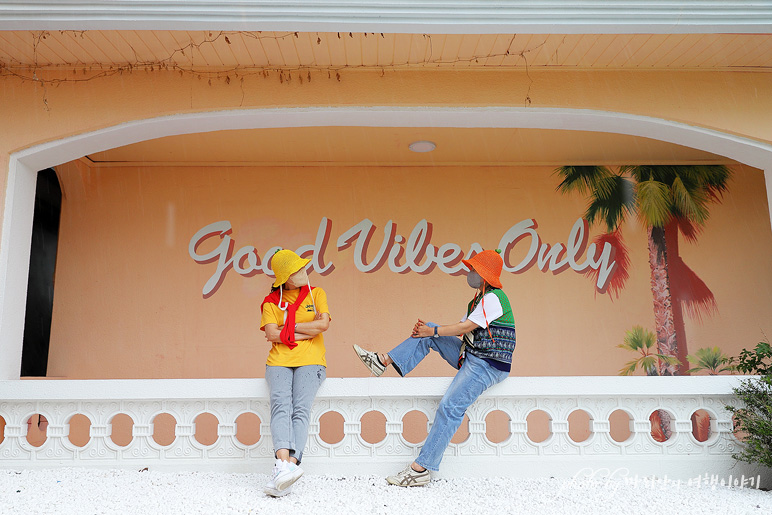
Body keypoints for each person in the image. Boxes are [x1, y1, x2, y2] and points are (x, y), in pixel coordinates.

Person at [353, 249, 516, 487]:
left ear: (483, 274)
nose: (469, 273)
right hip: (473, 356)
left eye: (473, 269)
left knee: (450, 407)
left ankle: (422, 469)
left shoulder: (494, 298)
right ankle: (383, 361)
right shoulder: (478, 300)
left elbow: (464, 328)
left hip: (487, 365)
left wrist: (434, 332)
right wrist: (430, 331)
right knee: (429, 330)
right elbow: (461, 328)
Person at [260, 249, 331, 497]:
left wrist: (288, 328)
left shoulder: (317, 293)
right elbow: (270, 334)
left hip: (311, 360)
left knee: (300, 408)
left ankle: (288, 467)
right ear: (286, 277)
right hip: (279, 360)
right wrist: (305, 331)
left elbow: (323, 325)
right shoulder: (271, 302)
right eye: (298, 270)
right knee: (281, 405)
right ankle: (283, 465)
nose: (304, 271)